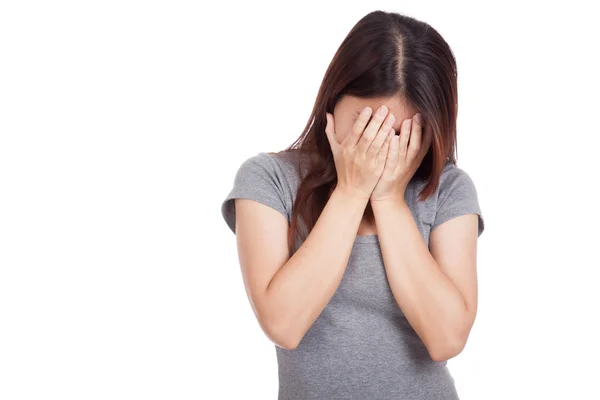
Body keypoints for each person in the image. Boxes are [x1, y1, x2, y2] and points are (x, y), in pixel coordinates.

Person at [220, 10, 485, 400]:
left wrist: (388, 200)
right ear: (333, 99)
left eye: (396, 134)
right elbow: (283, 323)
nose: (376, 146)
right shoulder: (268, 179)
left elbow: (447, 338)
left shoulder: (447, 190)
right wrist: (350, 192)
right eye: (365, 124)